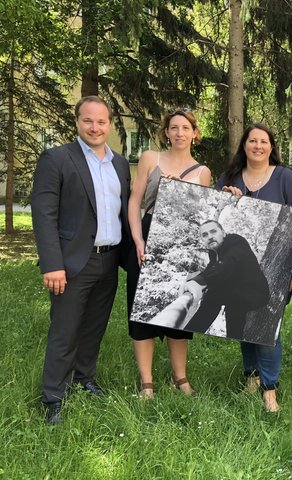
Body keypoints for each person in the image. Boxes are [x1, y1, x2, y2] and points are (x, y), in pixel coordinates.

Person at [32, 96, 131, 424]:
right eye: (88, 120)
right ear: (77, 122)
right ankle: (53, 396)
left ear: (110, 124)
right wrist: (52, 264)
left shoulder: (119, 163)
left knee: (94, 326)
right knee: (65, 329)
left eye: (101, 122)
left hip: (109, 259)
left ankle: (84, 378)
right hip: (73, 263)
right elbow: (44, 214)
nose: (95, 127)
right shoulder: (57, 159)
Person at [217, 123, 292, 412]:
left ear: (271, 147)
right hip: (239, 267)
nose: (257, 146)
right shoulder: (229, 177)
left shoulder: (285, 178)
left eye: (263, 141)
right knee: (244, 323)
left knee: (268, 327)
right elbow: (217, 219)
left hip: (276, 266)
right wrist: (228, 203)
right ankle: (251, 378)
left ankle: (270, 389)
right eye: (252, 141)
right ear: (244, 145)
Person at [126, 109, 211, 399]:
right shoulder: (151, 159)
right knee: (142, 311)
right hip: (148, 238)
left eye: (185, 128)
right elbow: (135, 200)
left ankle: (180, 377)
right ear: (166, 132)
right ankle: (147, 382)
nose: (179, 133)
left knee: (180, 312)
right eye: (173, 128)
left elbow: (202, 217)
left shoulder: (203, 172)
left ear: (194, 133)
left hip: (182, 245)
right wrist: (137, 240)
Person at [182, 220, 270, 341]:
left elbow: (227, 265)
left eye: (213, 231)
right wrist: (191, 283)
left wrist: (198, 281)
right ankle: (188, 334)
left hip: (254, 292)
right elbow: (211, 270)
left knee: (231, 305)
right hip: (234, 290)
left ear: (223, 233)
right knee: (212, 296)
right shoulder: (214, 253)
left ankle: (233, 340)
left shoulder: (236, 242)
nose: (210, 237)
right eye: (205, 235)